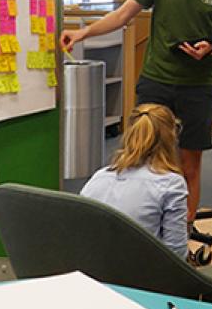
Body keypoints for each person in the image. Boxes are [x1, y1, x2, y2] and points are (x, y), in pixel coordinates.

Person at [60, 0, 212, 249]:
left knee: (189, 163)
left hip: (198, 86)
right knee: (139, 155)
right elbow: (123, 15)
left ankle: (182, 233)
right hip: (156, 80)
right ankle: (135, 225)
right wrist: (82, 34)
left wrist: (208, 49)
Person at [80, 103, 188, 258]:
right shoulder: (171, 184)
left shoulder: (99, 177)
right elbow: (176, 255)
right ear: (172, 137)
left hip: (92, 273)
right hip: (139, 276)